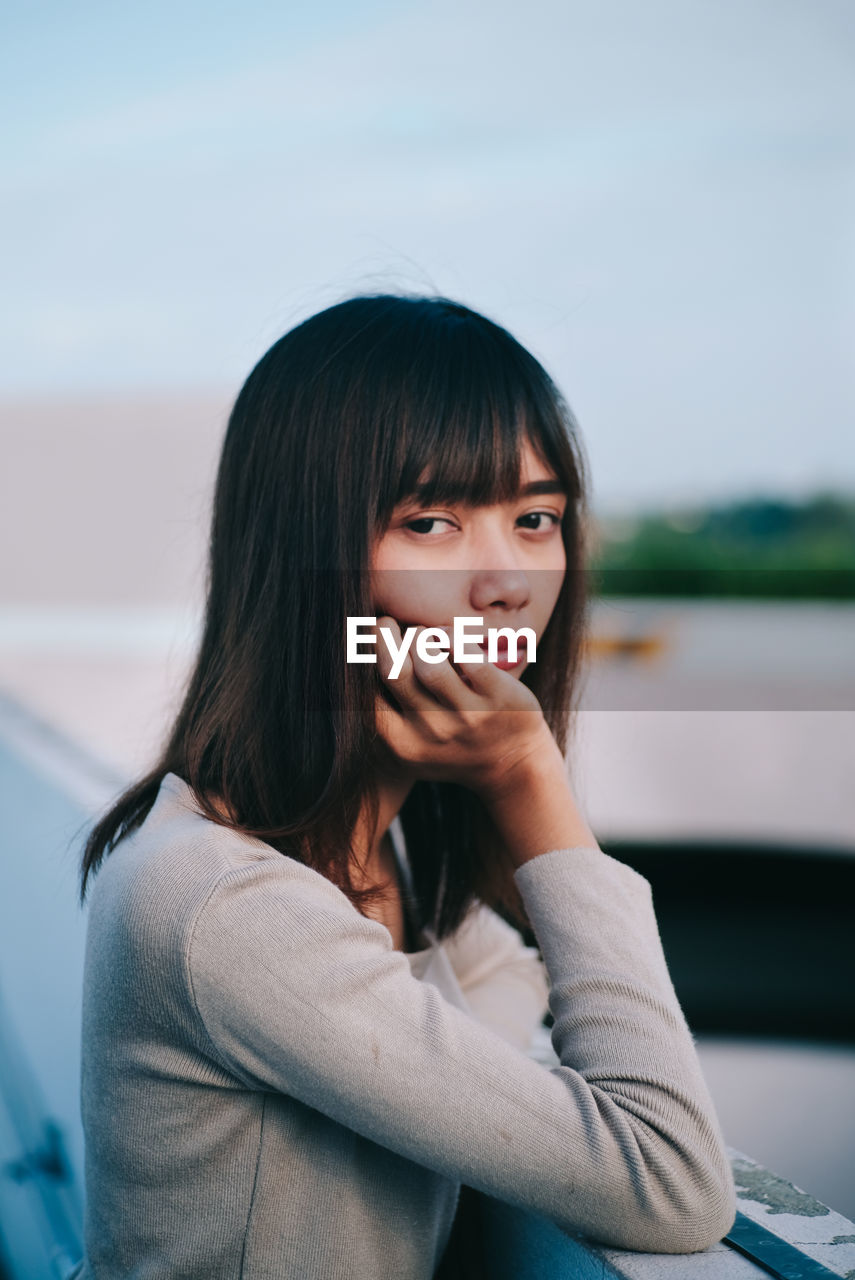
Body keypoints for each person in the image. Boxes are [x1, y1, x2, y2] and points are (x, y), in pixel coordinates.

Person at [69, 294, 735, 1279]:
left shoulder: (387, 848)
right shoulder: (231, 899)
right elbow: (671, 1178)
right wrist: (525, 778)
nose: (507, 578)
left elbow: (507, 980)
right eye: (430, 520)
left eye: (537, 517)